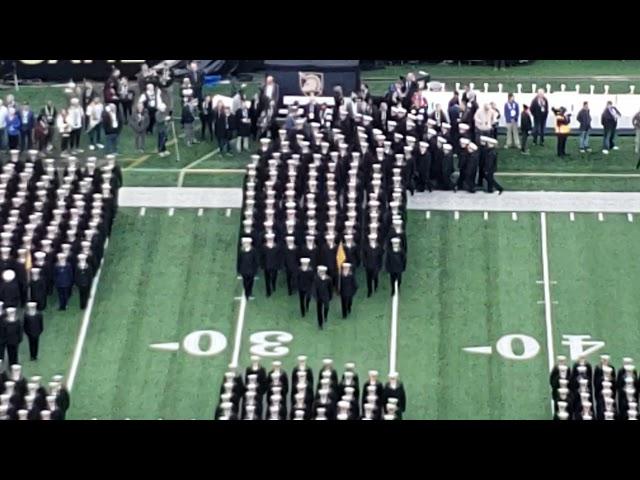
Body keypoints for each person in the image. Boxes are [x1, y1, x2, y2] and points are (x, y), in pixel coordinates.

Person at [312, 265, 332, 329]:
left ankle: (325, 316)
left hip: (326, 296)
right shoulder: (316, 278)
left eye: (322, 272)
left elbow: (330, 289)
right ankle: (320, 324)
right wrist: (315, 296)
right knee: (319, 311)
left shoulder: (328, 279)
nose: (321, 273)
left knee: (327, 307)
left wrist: (330, 296)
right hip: (319, 297)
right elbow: (314, 288)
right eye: (320, 272)